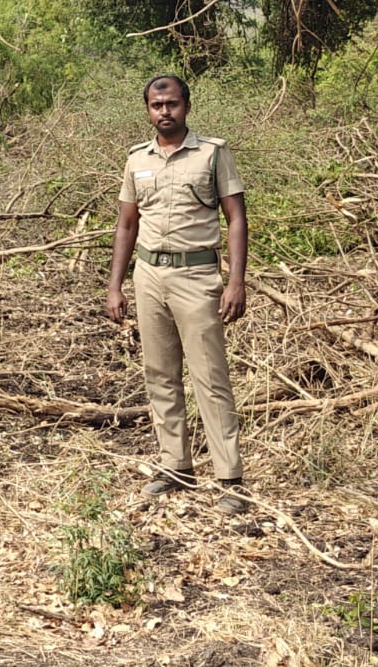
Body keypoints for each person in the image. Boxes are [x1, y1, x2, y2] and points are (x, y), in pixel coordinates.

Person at [107, 75, 250, 514]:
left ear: (186, 106)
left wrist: (236, 281)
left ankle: (230, 479)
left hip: (197, 277)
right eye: (156, 105)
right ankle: (175, 468)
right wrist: (115, 285)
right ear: (147, 110)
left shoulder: (212, 154)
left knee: (210, 377)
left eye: (171, 103)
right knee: (160, 374)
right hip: (149, 276)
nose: (164, 111)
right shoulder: (137, 160)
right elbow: (127, 225)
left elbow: (236, 219)